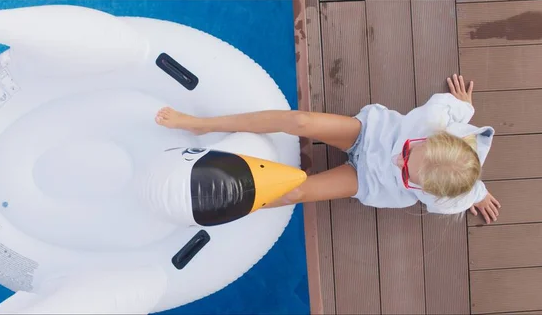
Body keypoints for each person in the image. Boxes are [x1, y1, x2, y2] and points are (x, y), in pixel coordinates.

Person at [155, 74, 501, 224]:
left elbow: (465, 194)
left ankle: (215, 206)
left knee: (298, 192)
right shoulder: (440, 117)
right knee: (301, 121)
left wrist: (479, 194)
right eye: (411, 151)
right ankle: (201, 124)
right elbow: (458, 112)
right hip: (373, 134)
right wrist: (465, 107)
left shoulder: (447, 199)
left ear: (428, 191)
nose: (401, 160)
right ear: (439, 137)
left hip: (371, 180)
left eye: (409, 171)